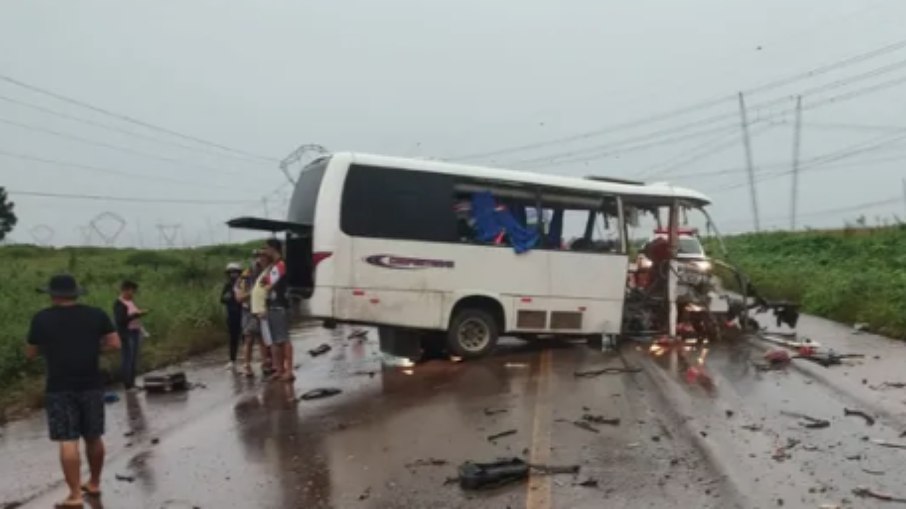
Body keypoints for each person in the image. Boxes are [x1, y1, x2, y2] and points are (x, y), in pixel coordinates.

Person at [26, 274, 121, 508]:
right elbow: (115, 343)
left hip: (59, 386)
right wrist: (92, 347)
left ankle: (75, 495)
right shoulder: (96, 314)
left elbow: (30, 353)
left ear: (52, 295)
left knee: (68, 440)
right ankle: (95, 483)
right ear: (76, 293)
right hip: (91, 383)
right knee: (93, 436)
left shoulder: (41, 318)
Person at [261, 238, 295, 382]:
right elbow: (264, 281)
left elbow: (268, 285)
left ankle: (289, 370)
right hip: (271, 305)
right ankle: (279, 369)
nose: (264, 251)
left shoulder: (281, 264)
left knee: (284, 339)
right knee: (275, 340)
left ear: (272, 249)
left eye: (266, 248)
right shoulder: (273, 265)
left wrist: (267, 282)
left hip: (280, 304)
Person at [235, 251, 273, 377]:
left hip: (262, 309)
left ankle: (266, 364)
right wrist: (253, 292)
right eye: (258, 259)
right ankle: (247, 365)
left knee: (263, 339)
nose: (259, 261)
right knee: (249, 339)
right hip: (249, 310)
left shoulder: (266, 274)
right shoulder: (245, 277)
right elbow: (239, 297)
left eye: (262, 258)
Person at [113, 280, 147, 391]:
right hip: (126, 333)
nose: (133, 293)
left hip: (134, 332)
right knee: (127, 359)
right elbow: (120, 320)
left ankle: (132, 383)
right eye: (132, 291)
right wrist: (134, 315)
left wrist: (138, 315)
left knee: (133, 359)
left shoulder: (130, 302)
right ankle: (127, 385)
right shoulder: (119, 303)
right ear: (125, 290)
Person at [221, 262, 243, 370]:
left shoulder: (243, 284)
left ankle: (246, 360)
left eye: (235, 272)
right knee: (233, 338)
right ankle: (232, 360)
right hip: (231, 314)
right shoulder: (228, 285)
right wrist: (229, 297)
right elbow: (222, 299)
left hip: (242, 313)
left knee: (246, 337)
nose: (233, 274)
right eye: (231, 272)